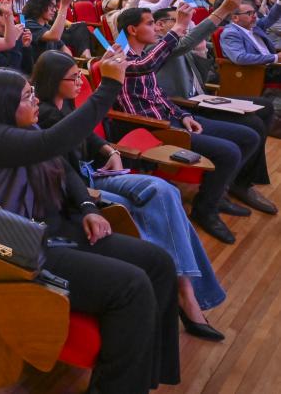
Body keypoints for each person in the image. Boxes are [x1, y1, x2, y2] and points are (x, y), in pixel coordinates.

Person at [0, 56, 180, 394]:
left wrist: (90, 207)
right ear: (3, 106)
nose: (35, 101)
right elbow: (55, 143)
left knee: (159, 263)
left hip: (55, 229)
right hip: (19, 250)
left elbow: (62, 166)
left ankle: (144, 374)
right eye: (27, 97)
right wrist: (108, 86)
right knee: (132, 286)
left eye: (34, 93)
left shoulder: (26, 127)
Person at [32, 50, 225, 340]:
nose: (80, 82)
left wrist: (110, 150)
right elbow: (68, 152)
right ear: (52, 81)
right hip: (83, 186)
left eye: (79, 75)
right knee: (154, 199)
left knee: (167, 193)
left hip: (94, 173)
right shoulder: (44, 114)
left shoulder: (65, 102)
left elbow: (86, 133)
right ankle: (182, 293)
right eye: (73, 78)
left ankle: (184, 291)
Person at [115, 6, 261, 244]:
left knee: (249, 136)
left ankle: (218, 192)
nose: (155, 28)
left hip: (174, 118)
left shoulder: (142, 55)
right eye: (150, 23)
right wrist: (179, 27)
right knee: (230, 151)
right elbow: (146, 66)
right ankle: (206, 209)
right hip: (155, 127)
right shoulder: (118, 59)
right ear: (132, 29)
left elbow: (159, 96)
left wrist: (183, 115)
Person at [152, 2, 278, 215]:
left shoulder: (178, 46)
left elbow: (199, 79)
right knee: (253, 126)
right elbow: (183, 45)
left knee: (264, 108)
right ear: (160, 25)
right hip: (186, 106)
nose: (184, 25)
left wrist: (201, 54)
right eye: (177, 20)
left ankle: (238, 180)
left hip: (200, 99)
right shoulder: (156, 49)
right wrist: (222, 12)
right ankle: (232, 185)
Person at [219, 0, 281, 83]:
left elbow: (271, 18)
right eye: (249, 13)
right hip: (257, 72)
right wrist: (275, 57)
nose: (254, 15)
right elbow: (240, 58)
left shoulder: (255, 26)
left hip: (272, 67)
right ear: (235, 18)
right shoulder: (231, 33)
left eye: (254, 12)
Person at [23, 0, 92, 61]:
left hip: (54, 67)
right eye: (51, 6)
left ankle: (87, 58)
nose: (54, 10)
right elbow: (54, 36)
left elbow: (64, 48)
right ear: (40, 5)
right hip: (42, 69)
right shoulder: (28, 24)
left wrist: (70, 63)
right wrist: (64, 6)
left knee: (82, 26)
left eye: (55, 6)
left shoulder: (47, 27)